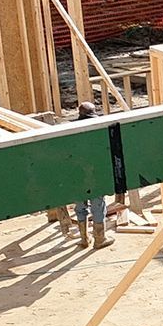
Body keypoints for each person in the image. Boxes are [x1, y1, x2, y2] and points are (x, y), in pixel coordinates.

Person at [69, 101, 115, 250]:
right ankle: (99, 239)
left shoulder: (72, 130)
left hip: (77, 174)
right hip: (94, 174)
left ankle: (84, 239)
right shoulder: (99, 129)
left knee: (80, 206)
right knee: (98, 205)